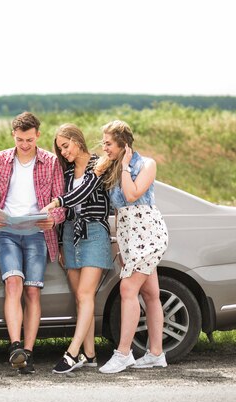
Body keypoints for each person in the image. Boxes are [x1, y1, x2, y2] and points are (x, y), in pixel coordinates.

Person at [0, 111, 65, 374]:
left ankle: (28, 353)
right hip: (6, 231)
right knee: (13, 283)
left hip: (37, 233)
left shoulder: (51, 162)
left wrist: (52, 219)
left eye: (29, 139)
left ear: (37, 135)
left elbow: (60, 202)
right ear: (13, 136)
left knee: (32, 291)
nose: (25, 144)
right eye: (20, 139)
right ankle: (15, 346)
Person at [95, 120, 169, 374]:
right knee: (150, 294)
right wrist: (119, 246)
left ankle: (123, 353)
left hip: (148, 232)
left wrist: (125, 166)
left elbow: (132, 195)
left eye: (108, 143)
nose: (104, 147)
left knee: (127, 287)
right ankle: (156, 354)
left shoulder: (145, 164)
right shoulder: (112, 168)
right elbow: (117, 209)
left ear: (122, 144)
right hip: (128, 234)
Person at [41, 123, 113, 374]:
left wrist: (55, 202)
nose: (63, 152)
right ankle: (90, 355)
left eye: (65, 146)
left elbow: (84, 193)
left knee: (85, 294)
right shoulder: (68, 171)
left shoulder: (99, 164)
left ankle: (72, 353)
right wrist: (60, 242)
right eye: (60, 149)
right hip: (70, 234)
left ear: (77, 140)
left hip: (94, 232)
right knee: (82, 300)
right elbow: (68, 212)